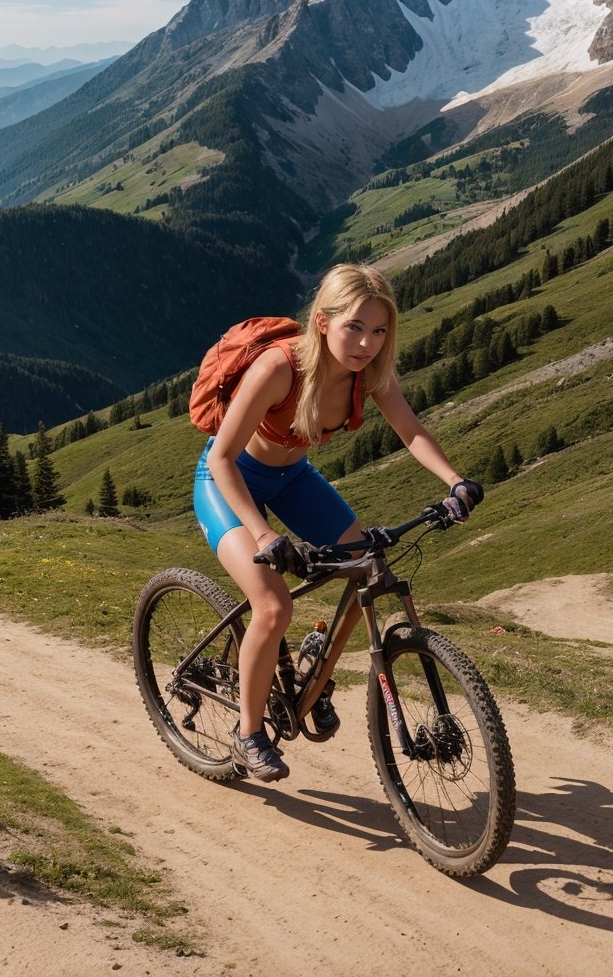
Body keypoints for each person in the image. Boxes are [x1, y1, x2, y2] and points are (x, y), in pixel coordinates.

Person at [193, 263, 482, 782]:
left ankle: (315, 671)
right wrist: (263, 533)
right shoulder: (279, 368)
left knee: (366, 565)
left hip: (293, 479)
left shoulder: (369, 372)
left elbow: (411, 432)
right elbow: (221, 460)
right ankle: (249, 733)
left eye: (378, 331)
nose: (367, 343)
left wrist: (456, 482)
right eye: (355, 327)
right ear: (323, 321)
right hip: (230, 481)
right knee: (273, 604)